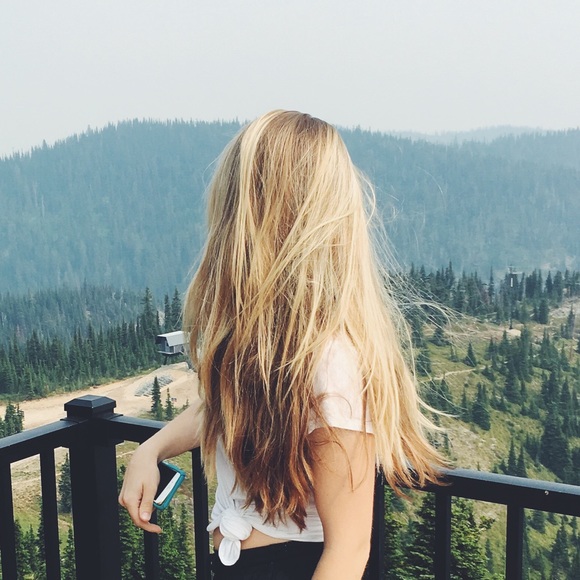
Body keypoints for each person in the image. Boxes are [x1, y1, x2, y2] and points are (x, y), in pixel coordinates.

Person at [119, 110, 445, 579]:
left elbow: (349, 549)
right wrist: (150, 450)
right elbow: (223, 407)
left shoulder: (332, 363)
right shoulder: (264, 339)